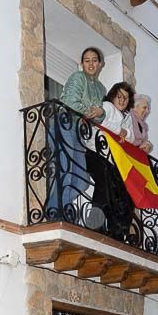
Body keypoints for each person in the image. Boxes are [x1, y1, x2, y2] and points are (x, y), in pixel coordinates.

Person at [47, 47, 107, 219]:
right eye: (87, 60)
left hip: (80, 134)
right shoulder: (77, 77)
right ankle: (56, 214)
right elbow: (71, 103)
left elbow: (102, 118)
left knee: (81, 180)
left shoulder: (102, 89)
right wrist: (91, 112)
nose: (91, 63)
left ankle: (56, 208)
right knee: (66, 170)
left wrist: (101, 113)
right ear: (82, 64)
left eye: (94, 60)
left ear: (100, 64)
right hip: (64, 124)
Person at [87, 80, 135, 240]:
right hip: (95, 152)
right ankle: (95, 224)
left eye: (126, 98)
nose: (122, 100)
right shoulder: (107, 106)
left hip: (112, 160)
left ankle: (118, 231)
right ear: (113, 96)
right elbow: (101, 121)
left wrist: (125, 133)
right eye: (119, 96)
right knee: (104, 184)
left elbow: (133, 138)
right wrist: (120, 130)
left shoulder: (127, 117)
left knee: (125, 193)